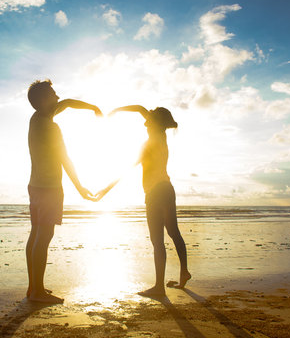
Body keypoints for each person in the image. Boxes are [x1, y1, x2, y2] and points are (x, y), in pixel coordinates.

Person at [96, 106, 191, 296]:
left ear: (155, 123)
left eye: (148, 121)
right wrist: (119, 110)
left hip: (155, 193)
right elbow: (141, 109)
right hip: (167, 189)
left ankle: (158, 288)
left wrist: (106, 189)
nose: (145, 123)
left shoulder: (149, 144)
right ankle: (184, 272)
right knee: (174, 232)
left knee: (157, 240)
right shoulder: (161, 135)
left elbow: (128, 168)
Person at [26, 79, 101, 303]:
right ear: (42, 100)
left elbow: (66, 102)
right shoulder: (51, 126)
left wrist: (93, 108)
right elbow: (65, 159)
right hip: (49, 188)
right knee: (44, 236)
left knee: (35, 234)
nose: (58, 97)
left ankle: (33, 287)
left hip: (35, 186)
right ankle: (37, 292)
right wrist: (80, 187)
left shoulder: (37, 118)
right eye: (53, 94)